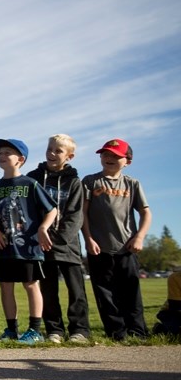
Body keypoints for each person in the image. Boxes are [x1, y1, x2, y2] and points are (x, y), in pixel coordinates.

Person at [0, 138, 57, 345]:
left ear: (21, 159)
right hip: (4, 247)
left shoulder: (30, 184)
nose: (2, 156)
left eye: (8, 152)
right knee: (6, 287)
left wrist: (43, 228)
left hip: (28, 247)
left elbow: (52, 209)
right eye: (0, 152)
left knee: (31, 285)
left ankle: (34, 330)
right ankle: (11, 330)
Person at [82, 138, 151, 341]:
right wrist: (88, 238)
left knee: (131, 292)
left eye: (115, 155)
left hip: (127, 247)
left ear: (127, 161)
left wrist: (139, 237)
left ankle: (138, 332)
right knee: (105, 295)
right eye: (105, 154)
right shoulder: (91, 181)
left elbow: (146, 213)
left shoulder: (132, 184)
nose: (108, 158)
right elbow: (83, 213)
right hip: (99, 248)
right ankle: (116, 333)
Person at [26, 134, 91, 344]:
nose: (52, 154)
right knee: (48, 290)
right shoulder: (33, 178)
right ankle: (54, 330)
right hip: (40, 245)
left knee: (76, 290)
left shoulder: (74, 182)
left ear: (69, 156)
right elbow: (29, 210)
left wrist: (57, 239)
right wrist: (38, 236)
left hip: (67, 246)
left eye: (58, 151)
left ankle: (79, 330)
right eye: (49, 149)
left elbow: (75, 215)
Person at [153, 269, 181, 337]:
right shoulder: (175, 277)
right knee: (175, 335)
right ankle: (161, 329)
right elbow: (176, 305)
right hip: (172, 312)